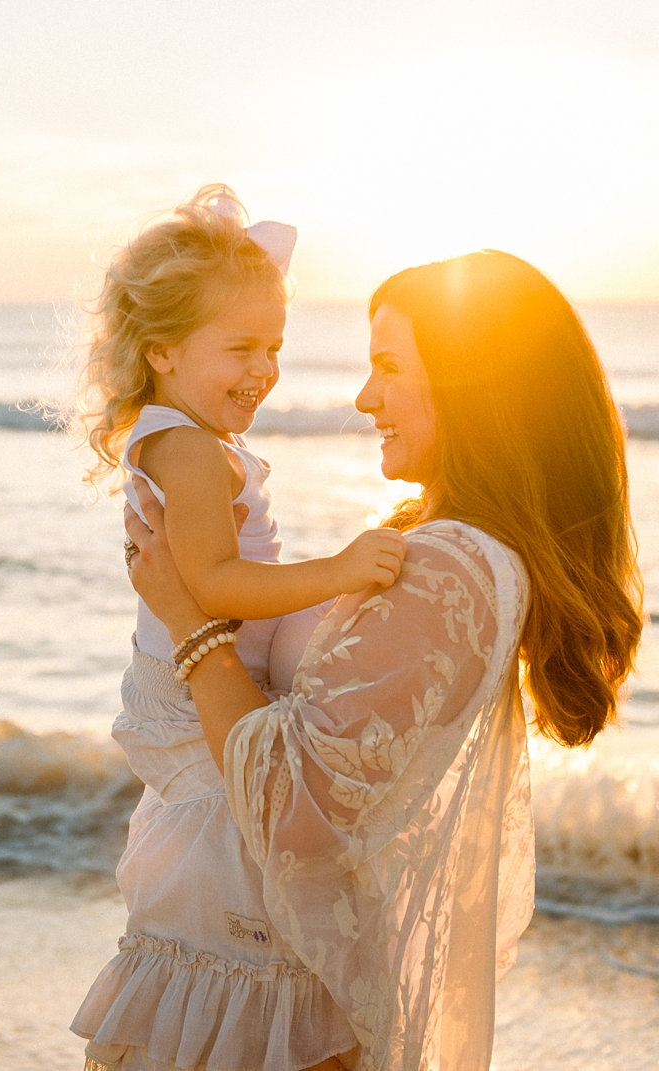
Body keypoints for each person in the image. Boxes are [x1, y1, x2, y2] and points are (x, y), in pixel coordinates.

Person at [119, 250, 644, 1071]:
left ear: (475, 385)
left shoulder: (448, 571)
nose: (364, 398)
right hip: (236, 967)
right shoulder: (440, 548)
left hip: (264, 1006)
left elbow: (293, 809)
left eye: (390, 367)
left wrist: (188, 622)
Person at [71, 186, 407, 1071]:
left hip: (201, 681)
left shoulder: (188, 435)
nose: (264, 370)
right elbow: (215, 582)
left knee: (255, 896)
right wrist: (339, 571)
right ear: (165, 350)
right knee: (245, 907)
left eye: (276, 348)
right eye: (241, 348)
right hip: (192, 698)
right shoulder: (184, 449)